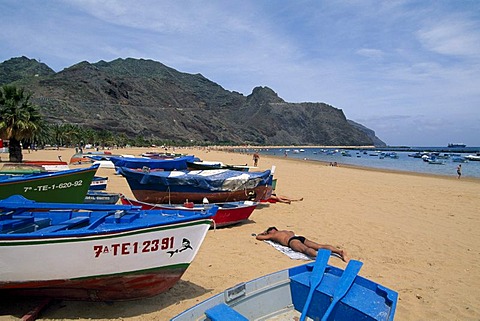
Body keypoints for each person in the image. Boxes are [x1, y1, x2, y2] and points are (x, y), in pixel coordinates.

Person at [255, 226, 349, 262]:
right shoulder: (286, 231)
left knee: (305, 250)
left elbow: (258, 237)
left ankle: (318, 256)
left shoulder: (273, 235)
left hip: (292, 241)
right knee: (319, 246)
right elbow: (292, 231)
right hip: (300, 237)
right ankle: (339, 252)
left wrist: (263, 233)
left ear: (270, 231)